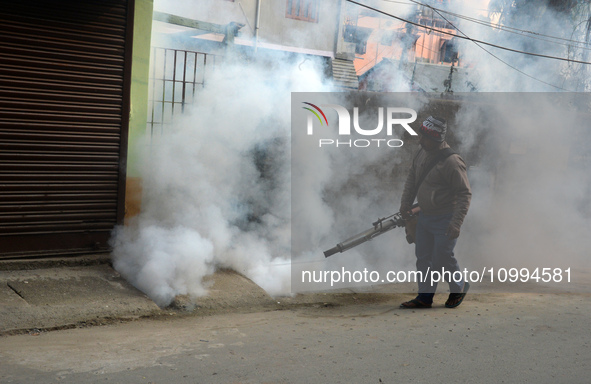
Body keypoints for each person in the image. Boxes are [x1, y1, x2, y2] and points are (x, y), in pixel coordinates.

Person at [399, 116, 471, 309]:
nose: (420, 141)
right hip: (425, 216)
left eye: (425, 137)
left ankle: (459, 287)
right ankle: (425, 297)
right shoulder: (421, 153)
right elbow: (412, 179)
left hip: (445, 218)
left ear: (437, 139)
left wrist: (456, 223)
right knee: (423, 258)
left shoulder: (452, 162)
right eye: (421, 136)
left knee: (442, 257)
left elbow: (464, 194)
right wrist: (405, 202)